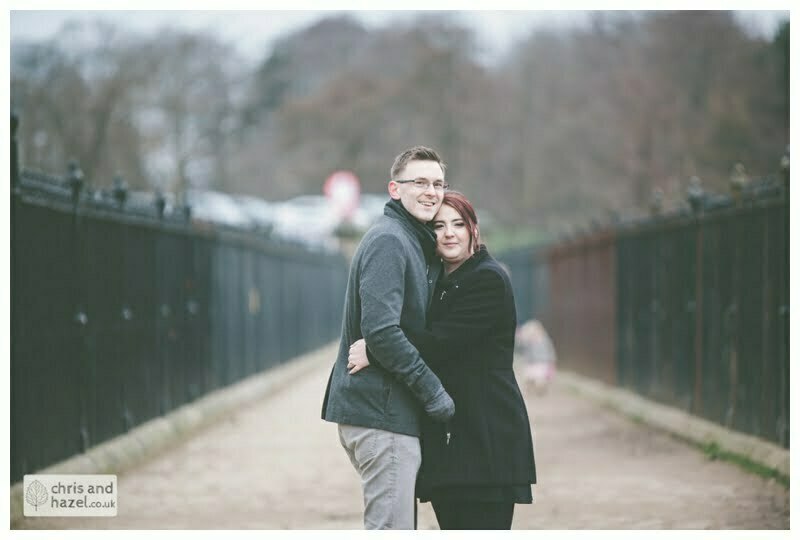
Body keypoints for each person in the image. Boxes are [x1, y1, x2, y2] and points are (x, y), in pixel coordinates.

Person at [348, 191, 536, 530]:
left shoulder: (487, 279)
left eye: (458, 224)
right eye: (439, 226)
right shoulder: (440, 281)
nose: (449, 233)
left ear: (473, 229)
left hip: (486, 436)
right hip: (452, 440)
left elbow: (439, 343)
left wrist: (377, 349)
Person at [321, 146, 456, 530]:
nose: (431, 192)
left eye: (438, 184)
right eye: (420, 182)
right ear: (395, 189)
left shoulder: (410, 240)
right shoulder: (390, 241)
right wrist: (434, 393)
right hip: (382, 416)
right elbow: (381, 332)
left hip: (385, 414)